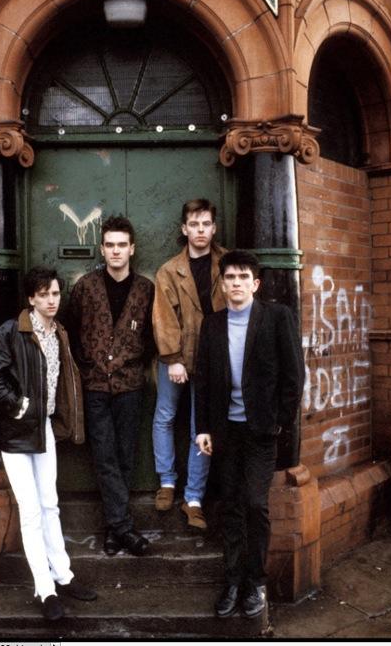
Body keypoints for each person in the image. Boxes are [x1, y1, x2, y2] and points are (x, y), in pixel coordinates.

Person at [0, 267, 97, 622]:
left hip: (43, 428)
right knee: (30, 512)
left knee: (50, 504)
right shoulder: (12, 331)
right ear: (31, 298)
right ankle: (45, 589)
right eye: (44, 294)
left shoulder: (59, 331)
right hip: (16, 433)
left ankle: (64, 575)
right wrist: (18, 404)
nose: (51, 300)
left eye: (56, 294)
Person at [195, 250, 304, 618]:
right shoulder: (212, 324)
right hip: (225, 432)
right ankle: (233, 581)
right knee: (231, 506)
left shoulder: (277, 318)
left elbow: (294, 377)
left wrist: (280, 422)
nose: (236, 283)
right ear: (222, 285)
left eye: (243, 277)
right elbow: (204, 382)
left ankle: (256, 581)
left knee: (256, 504)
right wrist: (203, 429)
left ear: (255, 284)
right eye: (230, 278)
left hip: (260, 432)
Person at [66, 215, 155, 557]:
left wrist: (132, 361)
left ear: (132, 249)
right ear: (102, 249)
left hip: (130, 385)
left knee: (124, 456)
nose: (116, 251)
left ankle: (113, 529)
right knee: (104, 456)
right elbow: (71, 331)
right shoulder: (86, 286)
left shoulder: (146, 289)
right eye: (110, 245)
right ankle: (124, 529)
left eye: (122, 245)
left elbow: (152, 336)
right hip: (94, 386)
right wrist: (89, 364)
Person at [151, 198, 226, 531]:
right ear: (184, 229)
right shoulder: (169, 270)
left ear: (214, 228)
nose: (200, 230)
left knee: (202, 428)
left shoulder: (226, 264)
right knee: (165, 416)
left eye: (206, 224)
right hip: (177, 359)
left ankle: (193, 497)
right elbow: (163, 318)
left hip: (213, 360)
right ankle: (167, 482)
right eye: (194, 224)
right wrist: (173, 358)